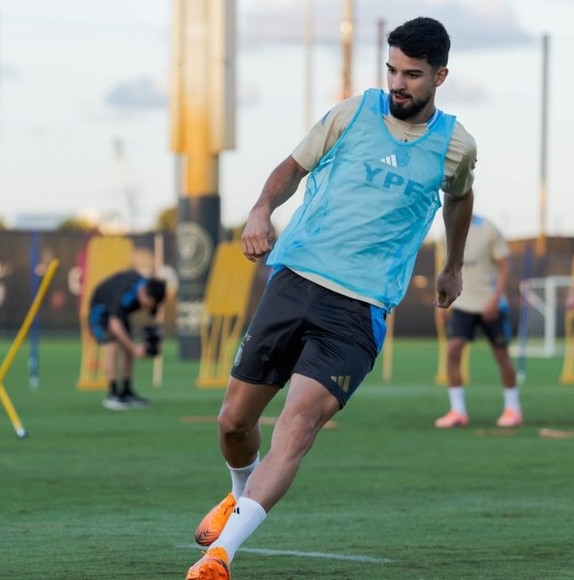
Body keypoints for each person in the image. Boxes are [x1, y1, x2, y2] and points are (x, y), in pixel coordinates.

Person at [186, 17, 475, 579]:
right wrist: (258, 210)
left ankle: (220, 555)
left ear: (439, 76)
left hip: (359, 310)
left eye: (412, 75)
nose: (398, 83)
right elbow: (291, 169)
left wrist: (454, 267)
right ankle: (236, 494)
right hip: (293, 282)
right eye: (392, 69)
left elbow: (460, 199)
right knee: (233, 423)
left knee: (296, 428)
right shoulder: (351, 113)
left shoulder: (456, 145)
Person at [435, 215, 521, 429]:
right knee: (453, 350)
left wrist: (495, 299)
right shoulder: (445, 232)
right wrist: (441, 299)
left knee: (501, 355)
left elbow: (505, 266)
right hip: (462, 303)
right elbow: (445, 269)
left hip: (490, 303)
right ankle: (458, 411)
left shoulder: (489, 229)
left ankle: (513, 409)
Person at [87, 270, 166, 410]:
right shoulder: (126, 291)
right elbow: (114, 324)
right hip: (101, 311)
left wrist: (154, 337)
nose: (149, 307)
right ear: (143, 293)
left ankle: (126, 392)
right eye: (149, 303)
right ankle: (112, 394)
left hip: (119, 315)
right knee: (113, 345)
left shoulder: (149, 291)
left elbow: (154, 318)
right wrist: (135, 348)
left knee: (128, 344)